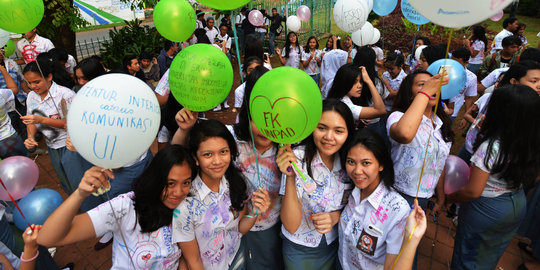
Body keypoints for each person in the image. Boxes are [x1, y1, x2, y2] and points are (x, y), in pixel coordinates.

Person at [38, 145, 196, 269]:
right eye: (170, 183)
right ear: (156, 178)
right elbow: (48, 238)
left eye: (186, 183)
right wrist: (80, 194)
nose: (178, 192)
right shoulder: (125, 207)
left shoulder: (187, 206)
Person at [446, 84, 540, 270]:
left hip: (487, 208)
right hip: (516, 201)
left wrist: (451, 198)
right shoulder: (533, 139)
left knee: (469, 254)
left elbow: (473, 191)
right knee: (490, 252)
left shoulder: (491, 147)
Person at [171, 119, 271, 270]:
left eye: (223, 151)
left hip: (236, 259)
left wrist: (255, 212)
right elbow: (193, 261)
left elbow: (237, 231)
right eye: (208, 154)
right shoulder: (185, 205)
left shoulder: (235, 183)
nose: (217, 161)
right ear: (195, 158)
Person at [276, 99, 355, 270]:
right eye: (321, 128)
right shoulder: (296, 159)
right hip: (299, 248)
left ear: (349, 133)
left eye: (339, 131)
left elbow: (357, 204)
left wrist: (335, 216)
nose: (329, 137)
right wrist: (290, 177)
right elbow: (290, 225)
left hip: (336, 243)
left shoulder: (351, 162)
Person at [387, 71, 452, 269]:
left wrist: (439, 197)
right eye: (422, 85)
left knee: (408, 248)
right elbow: (405, 134)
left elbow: (438, 164)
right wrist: (425, 94)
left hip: (422, 198)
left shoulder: (441, 126)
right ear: (410, 92)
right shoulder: (398, 117)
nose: (430, 88)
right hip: (398, 195)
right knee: (392, 250)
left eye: (433, 84)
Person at [337, 129, 410, 270]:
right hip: (340, 263)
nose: (357, 171)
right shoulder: (350, 188)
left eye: (366, 163)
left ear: (381, 164)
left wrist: (413, 240)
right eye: (351, 161)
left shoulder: (398, 210)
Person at [459, 61, 540, 165]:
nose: (539, 86)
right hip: (475, 150)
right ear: (514, 81)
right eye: (534, 81)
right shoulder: (493, 100)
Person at [21, 59, 76, 194]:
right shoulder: (32, 96)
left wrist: (41, 119)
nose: (33, 86)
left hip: (70, 145)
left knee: (77, 179)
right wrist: (30, 137)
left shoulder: (65, 95)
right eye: (29, 83)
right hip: (52, 146)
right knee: (64, 180)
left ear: (49, 77)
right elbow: (31, 119)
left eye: (37, 82)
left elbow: (70, 124)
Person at [353, 46, 390, 137]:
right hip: (374, 122)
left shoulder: (351, 79)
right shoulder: (377, 82)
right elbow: (383, 103)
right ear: (373, 61)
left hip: (354, 120)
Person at [0, 64, 26, 158]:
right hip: (9, 138)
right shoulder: (1, 94)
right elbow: (15, 89)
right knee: (21, 166)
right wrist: (3, 71)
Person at [448, 48, 478, 123]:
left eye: (457, 63)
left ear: (466, 62)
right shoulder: (444, 70)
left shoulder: (471, 77)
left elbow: (468, 98)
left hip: (453, 113)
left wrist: (466, 116)